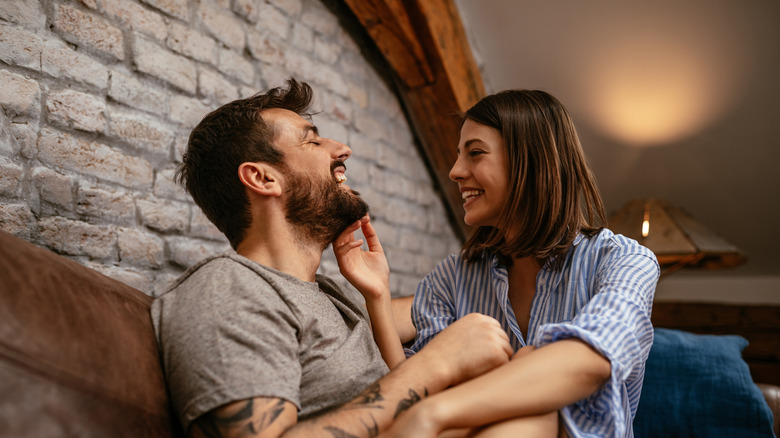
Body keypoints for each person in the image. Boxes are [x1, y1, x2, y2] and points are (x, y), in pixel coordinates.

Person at [150, 79, 515, 438]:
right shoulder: (227, 290)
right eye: (313, 140)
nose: (342, 149)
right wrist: (434, 365)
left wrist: (379, 294)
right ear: (262, 178)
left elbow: (434, 323)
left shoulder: (330, 295)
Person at [340, 89, 659, 437]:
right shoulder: (451, 277)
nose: (455, 171)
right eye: (458, 155)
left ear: (531, 161)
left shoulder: (625, 261)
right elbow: (415, 384)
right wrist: (378, 294)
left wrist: (433, 413)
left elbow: (590, 361)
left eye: (475, 153)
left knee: (544, 410)